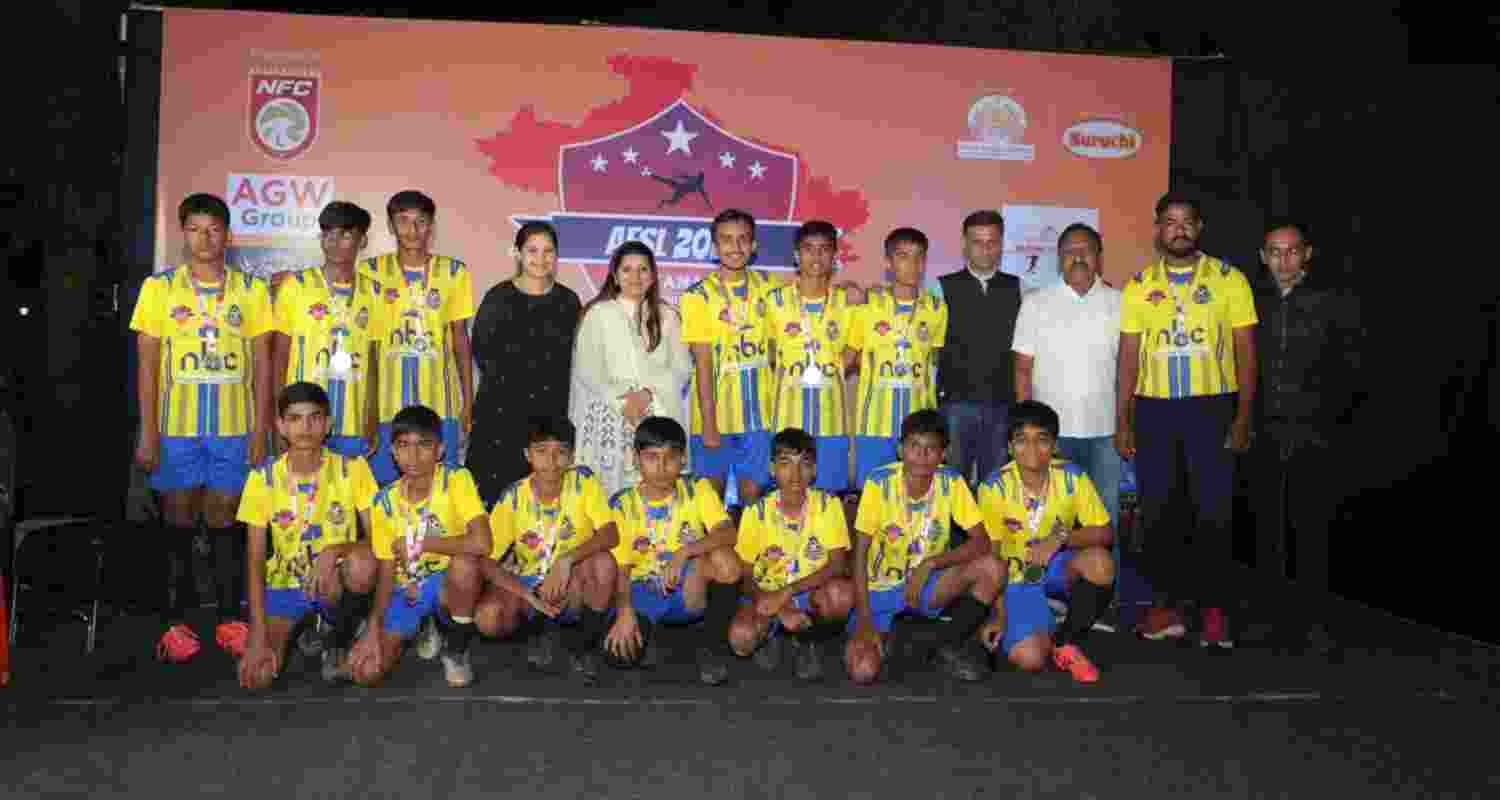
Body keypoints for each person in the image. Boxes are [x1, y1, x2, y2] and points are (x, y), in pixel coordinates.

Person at [130, 193, 274, 663]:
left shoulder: (251, 290)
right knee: (177, 521)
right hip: (176, 429)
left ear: (228, 236)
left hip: (233, 430)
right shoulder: (159, 289)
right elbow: (147, 365)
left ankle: (231, 620)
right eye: (195, 229)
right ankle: (176, 622)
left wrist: (260, 431)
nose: (205, 238)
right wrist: (148, 430)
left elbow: (263, 364)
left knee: (224, 521)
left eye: (214, 229)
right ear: (183, 233)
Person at [1116, 192, 1257, 648]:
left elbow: (1246, 352)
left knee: (1213, 511)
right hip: (1156, 410)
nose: (1178, 230)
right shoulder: (1138, 285)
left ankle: (1214, 612)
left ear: (1200, 228)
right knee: (1160, 511)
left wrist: (1242, 416)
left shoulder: (1228, 278)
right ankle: (1165, 608)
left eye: (1187, 222)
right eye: (1169, 222)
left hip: (1211, 407)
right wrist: (1124, 419)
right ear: (1157, 229)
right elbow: (1128, 358)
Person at [235, 382, 380, 688]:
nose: (305, 427)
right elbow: (255, 561)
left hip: (333, 582)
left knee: (363, 564)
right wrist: (258, 634)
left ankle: (337, 638)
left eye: (315, 417)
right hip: (285, 585)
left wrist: (335, 550)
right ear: (281, 426)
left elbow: (380, 542)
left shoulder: (353, 469)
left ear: (328, 425)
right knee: (258, 676)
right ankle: (307, 627)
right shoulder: (261, 479)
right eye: (295, 418)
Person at [843, 409, 1004, 684]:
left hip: (927, 584)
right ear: (899, 449)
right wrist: (865, 618)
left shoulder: (951, 482)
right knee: (863, 671)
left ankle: (946, 644)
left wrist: (930, 565)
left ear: (943, 454)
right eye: (914, 446)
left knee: (993, 567)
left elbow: (982, 541)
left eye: (932, 448)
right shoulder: (878, 483)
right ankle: (903, 640)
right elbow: (859, 556)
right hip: (880, 591)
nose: (922, 455)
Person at [1248, 220, 1363, 591]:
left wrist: (1333, 418)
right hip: (1263, 427)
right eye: (1275, 252)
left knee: (1311, 521)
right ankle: (1270, 598)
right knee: (1266, 519)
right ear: (1263, 257)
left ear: (1307, 254)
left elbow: (1350, 365)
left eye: (1292, 251)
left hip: (1314, 429)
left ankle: (1313, 604)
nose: (1284, 260)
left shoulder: (1332, 300)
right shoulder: (1249, 300)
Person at [977, 400, 1117, 684]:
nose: (1031, 449)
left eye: (1041, 440)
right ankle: (1043, 621)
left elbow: (1105, 533)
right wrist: (998, 615)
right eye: (1021, 440)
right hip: (1014, 582)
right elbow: (992, 560)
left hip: (1055, 571)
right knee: (1030, 659)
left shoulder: (1072, 476)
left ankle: (1066, 641)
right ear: (1008, 446)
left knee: (1101, 563)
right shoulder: (993, 487)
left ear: (1054, 445)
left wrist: (1060, 539)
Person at [350, 405, 490, 688]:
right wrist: (374, 627)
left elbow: (483, 542)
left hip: (445, 583)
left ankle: (456, 648)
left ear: (440, 450)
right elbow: (387, 570)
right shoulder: (383, 502)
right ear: (393, 451)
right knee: (366, 672)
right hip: (406, 588)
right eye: (404, 445)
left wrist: (423, 542)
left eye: (423, 445)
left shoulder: (456, 479)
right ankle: (421, 627)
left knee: (465, 563)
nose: (413, 456)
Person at [476, 416, 619, 685]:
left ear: (571, 456)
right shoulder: (513, 496)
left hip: (572, 581)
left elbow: (611, 533)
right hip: (531, 582)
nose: (551, 462)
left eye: (560, 453)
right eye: (541, 452)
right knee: (487, 618)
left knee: (603, 562)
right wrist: (525, 594)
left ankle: (584, 645)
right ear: (527, 455)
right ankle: (537, 631)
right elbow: (485, 561)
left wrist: (566, 561)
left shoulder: (584, 482)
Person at [601, 416, 743, 685]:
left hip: (687, 587)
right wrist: (625, 610)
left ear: (683, 460)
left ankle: (711, 647)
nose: (662, 467)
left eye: (670, 457)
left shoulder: (697, 490)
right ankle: (657, 635)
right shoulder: (622, 504)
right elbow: (621, 568)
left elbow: (728, 532)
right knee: (618, 655)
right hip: (642, 589)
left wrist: (685, 552)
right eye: (652, 457)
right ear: (636, 459)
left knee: (725, 560)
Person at [1012, 222, 1123, 539]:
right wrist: (1027, 429)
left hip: (1106, 436)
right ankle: (1049, 589)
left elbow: (1130, 369)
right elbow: (1022, 370)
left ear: (1099, 257)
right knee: (1050, 523)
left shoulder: (1120, 302)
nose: (1077, 257)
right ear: (1058, 258)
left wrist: (1126, 423)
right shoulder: (1035, 303)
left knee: (1104, 522)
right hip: (1051, 437)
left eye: (1085, 250)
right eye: (1069, 252)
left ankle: (1105, 589)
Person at [359, 190, 476, 485]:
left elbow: (460, 339)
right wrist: (368, 409)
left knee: (441, 489)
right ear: (390, 226)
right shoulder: (369, 272)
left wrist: (468, 402)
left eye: (420, 222)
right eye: (403, 221)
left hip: (441, 404)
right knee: (386, 491)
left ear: (431, 226)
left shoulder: (454, 272)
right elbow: (368, 347)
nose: (412, 230)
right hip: (388, 404)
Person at [466, 221, 582, 505]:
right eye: (532, 251)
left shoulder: (569, 301)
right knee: (493, 503)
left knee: (544, 503)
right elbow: (482, 352)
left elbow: (576, 359)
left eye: (548, 251)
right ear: (518, 254)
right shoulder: (498, 298)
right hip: (499, 416)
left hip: (550, 414)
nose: (540, 259)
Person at [729, 428, 856, 680]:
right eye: (786, 463)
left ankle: (808, 640)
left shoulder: (829, 505)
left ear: (815, 470)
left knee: (841, 594)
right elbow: (744, 574)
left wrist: (787, 594)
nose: (795, 474)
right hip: (767, 593)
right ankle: (770, 634)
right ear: (772, 469)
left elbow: (837, 566)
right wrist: (776, 606)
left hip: (809, 594)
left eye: (804, 464)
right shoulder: (756, 512)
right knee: (741, 638)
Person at [570, 240, 691, 497]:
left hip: (656, 415)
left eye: (643, 269)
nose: (635, 276)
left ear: (654, 275)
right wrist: (623, 402)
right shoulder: (598, 314)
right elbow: (587, 370)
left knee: (654, 496)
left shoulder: (668, 315)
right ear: (614, 275)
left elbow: (682, 369)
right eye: (627, 269)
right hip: (610, 419)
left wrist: (648, 395)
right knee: (609, 500)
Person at [680, 209, 779, 509]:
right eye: (726, 240)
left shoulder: (772, 289)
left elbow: (781, 348)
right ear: (714, 246)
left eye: (742, 239)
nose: (735, 247)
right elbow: (703, 362)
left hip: (760, 417)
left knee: (754, 499)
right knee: (711, 502)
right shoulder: (698, 296)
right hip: (713, 418)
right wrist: (709, 423)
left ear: (754, 245)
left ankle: (752, 556)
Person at [271, 201, 383, 459]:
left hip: (353, 421)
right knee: (300, 496)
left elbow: (374, 362)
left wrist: (371, 416)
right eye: (328, 234)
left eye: (345, 234)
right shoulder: (296, 286)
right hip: (302, 421)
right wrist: (278, 419)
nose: (335, 242)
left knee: (346, 497)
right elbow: (279, 357)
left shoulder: (374, 292)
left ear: (362, 240)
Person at [847, 228, 948, 489]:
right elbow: (851, 357)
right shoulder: (868, 307)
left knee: (918, 496)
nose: (912, 264)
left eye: (919, 257)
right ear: (888, 263)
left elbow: (934, 359)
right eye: (903, 256)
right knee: (871, 496)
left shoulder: (937, 308)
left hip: (920, 425)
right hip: (874, 422)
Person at [765, 221, 859, 494]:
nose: (816, 257)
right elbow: (768, 352)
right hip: (787, 417)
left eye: (824, 249)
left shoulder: (848, 303)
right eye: (808, 249)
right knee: (786, 502)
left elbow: (852, 356)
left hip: (832, 420)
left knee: (829, 500)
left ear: (834, 256)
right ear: (796, 254)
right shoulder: (774, 301)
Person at [935, 211, 1022, 485]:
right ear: (964, 244)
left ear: (1001, 244)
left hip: (1002, 406)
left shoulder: (1020, 288)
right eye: (977, 242)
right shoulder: (939, 289)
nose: (985, 249)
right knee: (952, 487)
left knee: (995, 489)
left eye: (992, 242)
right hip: (955, 406)